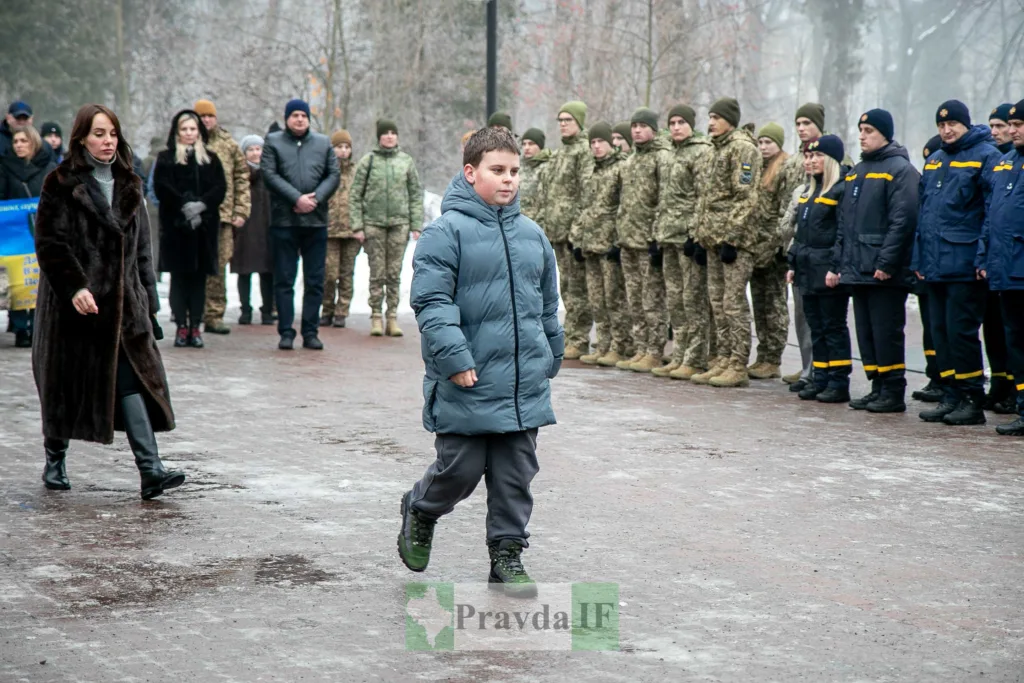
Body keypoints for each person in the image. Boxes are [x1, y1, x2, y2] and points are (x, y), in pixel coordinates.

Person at [397, 127, 563, 597]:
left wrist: (552, 353)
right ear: (470, 173)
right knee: (461, 470)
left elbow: (546, 303)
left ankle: (507, 555)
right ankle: (422, 508)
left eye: (514, 171)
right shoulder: (445, 233)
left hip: (522, 384)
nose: (508, 179)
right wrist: (454, 357)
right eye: (497, 170)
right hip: (467, 379)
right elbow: (432, 303)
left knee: (516, 476)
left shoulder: (533, 235)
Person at [33, 103, 184, 500]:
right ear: (82, 138)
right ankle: (55, 460)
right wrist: (75, 288)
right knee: (62, 385)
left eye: (113, 133)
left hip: (123, 307)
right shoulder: (60, 183)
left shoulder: (130, 183)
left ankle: (151, 470)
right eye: (99, 134)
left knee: (131, 379)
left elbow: (142, 252)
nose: (107, 141)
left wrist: (150, 306)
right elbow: (50, 244)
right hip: (72, 308)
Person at [912, 101, 1001, 426]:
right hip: (934, 264)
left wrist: (983, 256)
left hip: (964, 264)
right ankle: (950, 394)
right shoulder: (935, 160)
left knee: (961, 332)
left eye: (952, 124)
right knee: (940, 332)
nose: (946, 130)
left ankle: (971, 398)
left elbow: (992, 212)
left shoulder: (987, 156)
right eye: (941, 125)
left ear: (966, 124)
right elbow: (924, 215)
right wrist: (918, 257)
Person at [833, 109, 919, 413]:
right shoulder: (857, 171)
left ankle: (893, 391)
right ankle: (877, 386)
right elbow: (845, 223)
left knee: (886, 332)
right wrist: (841, 262)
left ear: (885, 133)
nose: (862, 136)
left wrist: (886, 262)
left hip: (883, 272)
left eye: (868, 130)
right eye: (860, 130)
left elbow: (903, 221)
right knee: (867, 333)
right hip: (858, 269)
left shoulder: (900, 170)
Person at [692, 97, 761, 388]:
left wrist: (732, 238)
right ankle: (722, 358)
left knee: (733, 304)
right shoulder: (713, 150)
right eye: (709, 117)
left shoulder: (743, 149)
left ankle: (737, 364)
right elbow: (705, 199)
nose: (711, 123)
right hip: (712, 240)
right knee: (717, 303)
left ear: (730, 120)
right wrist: (699, 236)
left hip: (734, 243)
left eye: (716, 118)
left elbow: (746, 197)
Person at [261, 98, 340, 350]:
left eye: (303, 115)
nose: (299, 119)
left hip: (316, 222)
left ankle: (310, 332)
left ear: (308, 119)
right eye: (294, 115)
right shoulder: (273, 142)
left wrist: (315, 199)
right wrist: (296, 198)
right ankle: (286, 332)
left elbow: (333, 174)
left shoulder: (323, 143)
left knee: (315, 281)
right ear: (287, 118)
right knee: (284, 279)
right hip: (284, 221)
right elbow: (269, 174)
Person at [153, 109, 227, 349]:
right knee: (179, 280)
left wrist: (201, 205)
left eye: (193, 129)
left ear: (199, 132)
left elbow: (219, 188)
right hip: (176, 229)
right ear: (177, 132)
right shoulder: (166, 158)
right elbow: (161, 187)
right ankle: (181, 326)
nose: (188, 133)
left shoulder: (211, 159)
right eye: (184, 129)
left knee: (198, 281)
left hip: (204, 229)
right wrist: (184, 207)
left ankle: (196, 326)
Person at [786, 135, 852, 403]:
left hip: (827, 272)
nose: (810, 161)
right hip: (807, 270)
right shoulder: (811, 192)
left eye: (817, 156)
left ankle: (838, 382)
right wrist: (792, 263)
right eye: (808, 156)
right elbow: (801, 234)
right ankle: (820, 378)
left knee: (833, 327)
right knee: (816, 327)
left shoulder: (840, 190)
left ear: (831, 159)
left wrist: (835, 267)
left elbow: (842, 234)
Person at [651, 104, 713, 379]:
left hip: (688, 238)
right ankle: (679, 354)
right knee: (675, 300)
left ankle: (696, 357)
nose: (676, 127)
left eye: (681, 122)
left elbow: (703, 197)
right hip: (668, 236)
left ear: (691, 125)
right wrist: (657, 232)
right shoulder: (668, 154)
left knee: (693, 299)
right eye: (672, 123)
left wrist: (695, 234)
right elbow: (662, 197)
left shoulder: (700, 152)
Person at [349, 118, 422, 337]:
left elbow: (415, 194)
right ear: (379, 137)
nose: (389, 136)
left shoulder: (406, 161)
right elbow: (355, 194)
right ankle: (375, 316)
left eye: (393, 133)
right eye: (385, 133)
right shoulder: (368, 161)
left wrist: (416, 224)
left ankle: (392, 317)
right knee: (377, 273)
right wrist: (357, 225)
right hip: (374, 224)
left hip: (399, 224)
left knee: (394, 273)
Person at [614, 106, 673, 372]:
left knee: (652, 299)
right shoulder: (630, 161)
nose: (637, 131)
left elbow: (664, 200)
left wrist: (656, 236)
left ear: (654, 129)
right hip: (628, 239)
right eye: (634, 126)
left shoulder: (662, 157)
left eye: (642, 126)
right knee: (634, 299)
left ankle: (655, 350)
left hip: (649, 240)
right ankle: (641, 348)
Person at [978, 99, 1024, 436]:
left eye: (1018, 125)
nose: (1012, 130)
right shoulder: (1005, 163)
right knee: (1016, 345)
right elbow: (991, 216)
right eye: (1011, 125)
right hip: (1007, 270)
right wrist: (984, 257)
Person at [570, 121, 630, 365]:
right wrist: (578, 238)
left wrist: (618, 241)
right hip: (591, 245)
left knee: (615, 298)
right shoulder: (591, 171)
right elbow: (584, 207)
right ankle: (603, 344)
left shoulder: (620, 168)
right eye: (592, 142)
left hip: (609, 245)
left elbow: (624, 207)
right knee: (597, 300)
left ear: (610, 143)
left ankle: (620, 345)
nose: (596, 146)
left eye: (601, 141)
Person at [777, 103, 827, 389]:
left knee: (819, 316)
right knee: (801, 314)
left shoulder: (832, 154)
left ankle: (820, 368)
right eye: (798, 123)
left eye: (807, 123)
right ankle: (808, 366)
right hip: (796, 245)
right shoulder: (794, 160)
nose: (801, 128)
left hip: (818, 250)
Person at [194, 100, 251, 335]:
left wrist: (241, 210)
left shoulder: (229, 145)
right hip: (194, 217)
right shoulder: (187, 142)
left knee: (218, 265)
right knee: (194, 265)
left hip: (223, 216)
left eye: (210, 116)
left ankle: (214, 314)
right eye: (202, 116)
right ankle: (192, 313)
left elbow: (242, 178)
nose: (206, 120)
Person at [544, 101, 593, 359]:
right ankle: (571, 335)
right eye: (560, 120)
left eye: (568, 120)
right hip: (558, 231)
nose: (563, 124)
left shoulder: (584, 151)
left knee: (577, 288)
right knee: (566, 287)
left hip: (574, 233)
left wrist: (578, 230)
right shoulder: (561, 152)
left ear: (579, 122)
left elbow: (587, 193)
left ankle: (579, 338)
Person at [0, 125, 55, 347]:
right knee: (19, 278)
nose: (19, 145)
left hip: (44, 229)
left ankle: (39, 325)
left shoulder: (48, 166)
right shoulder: (5, 167)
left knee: (39, 277)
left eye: (24, 141)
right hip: (15, 233)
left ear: (34, 142)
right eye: (16, 141)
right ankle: (21, 327)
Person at [747, 122, 791, 380]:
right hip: (756, 248)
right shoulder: (757, 168)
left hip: (773, 249)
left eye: (768, 142)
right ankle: (762, 355)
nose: (763, 147)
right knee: (760, 305)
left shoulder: (784, 168)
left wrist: (776, 245)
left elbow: (783, 210)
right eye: (760, 142)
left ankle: (773, 357)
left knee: (774, 305)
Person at [910, 135, 944, 404]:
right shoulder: (926, 188)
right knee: (929, 327)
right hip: (925, 266)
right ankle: (935, 375)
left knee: (942, 327)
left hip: (943, 265)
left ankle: (946, 379)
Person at [231, 135, 275, 325]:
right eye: (251, 149)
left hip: (267, 228)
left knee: (268, 272)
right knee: (244, 272)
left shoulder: (271, 173)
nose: (255, 153)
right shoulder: (239, 174)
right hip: (245, 229)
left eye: (258, 149)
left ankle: (267, 310)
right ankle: (245, 310)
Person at [322, 129, 361, 328]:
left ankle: (341, 312)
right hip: (329, 230)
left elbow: (364, 198)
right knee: (329, 274)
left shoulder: (357, 172)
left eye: (346, 147)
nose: (343, 151)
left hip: (352, 231)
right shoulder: (324, 171)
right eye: (339, 147)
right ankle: (326, 309)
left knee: (347, 274)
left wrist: (361, 226)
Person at [519, 127, 550, 224]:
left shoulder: (548, 167)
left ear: (540, 146)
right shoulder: (518, 166)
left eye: (531, 144)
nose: (526, 147)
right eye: (524, 144)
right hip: (516, 220)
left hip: (537, 222)